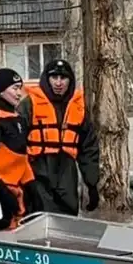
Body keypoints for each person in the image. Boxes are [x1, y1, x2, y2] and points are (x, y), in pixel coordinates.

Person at [19, 59, 100, 216]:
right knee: (39, 214)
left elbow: (89, 148)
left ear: (70, 81)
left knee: (68, 214)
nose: (58, 83)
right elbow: (15, 141)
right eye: (54, 77)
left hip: (66, 170)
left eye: (63, 78)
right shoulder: (29, 104)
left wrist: (91, 184)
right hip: (37, 169)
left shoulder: (79, 107)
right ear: (46, 79)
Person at [0, 68, 40, 232]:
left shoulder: (17, 118)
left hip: (17, 191)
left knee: (20, 232)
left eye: (20, 88)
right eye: (15, 88)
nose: (19, 94)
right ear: (1, 90)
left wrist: (32, 187)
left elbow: (21, 158)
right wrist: (0, 189)